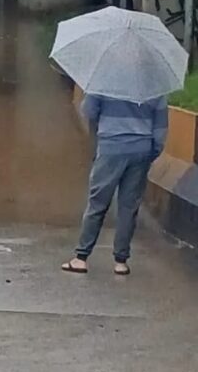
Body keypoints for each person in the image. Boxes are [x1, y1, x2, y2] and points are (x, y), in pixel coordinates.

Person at [62, 93, 168, 276]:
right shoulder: (154, 87)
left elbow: (88, 110)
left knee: (97, 203)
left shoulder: (104, 80)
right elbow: (161, 126)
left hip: (111, 147)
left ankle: (81, 258)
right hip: (141, 149)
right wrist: (153, 151)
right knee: (129, 207)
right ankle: (121, 262)